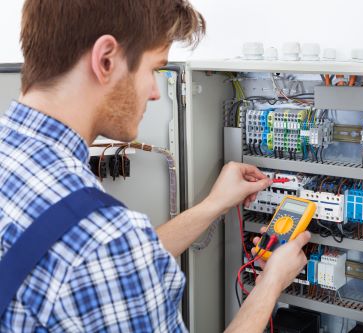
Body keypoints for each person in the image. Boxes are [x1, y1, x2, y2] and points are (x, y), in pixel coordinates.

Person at [0, 1, 311, 332]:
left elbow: (103, 262)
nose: (154, 92)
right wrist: (271, 283)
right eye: (153, 70)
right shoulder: (108, 242)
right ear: (105, 60)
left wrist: (212, 206)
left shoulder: (17, 158)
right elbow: (113, 256)